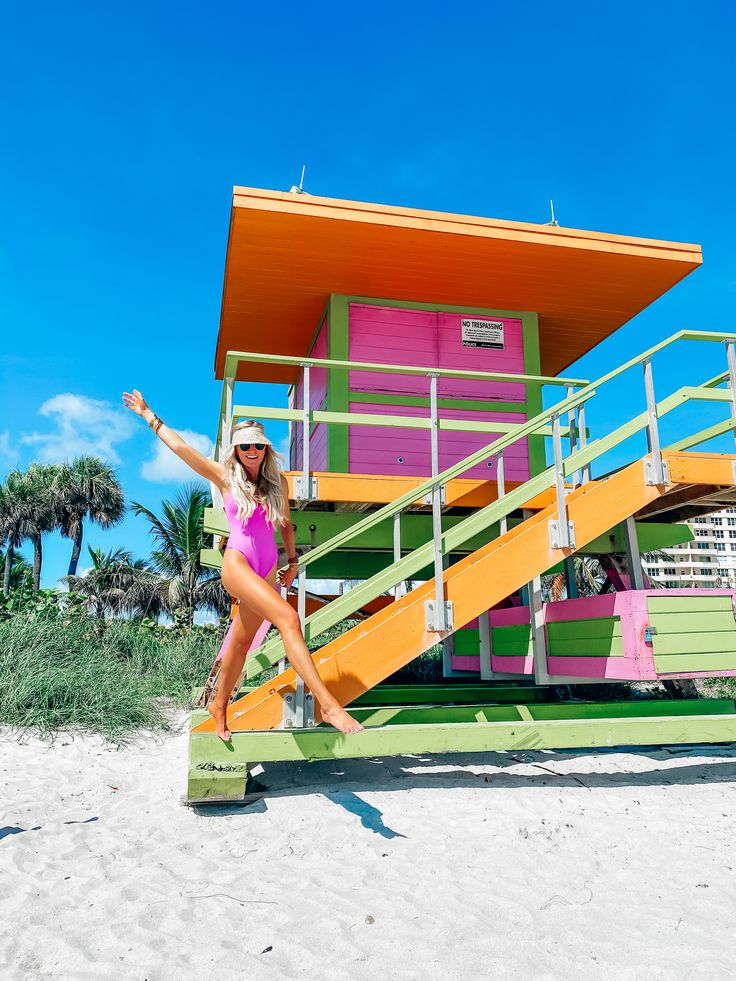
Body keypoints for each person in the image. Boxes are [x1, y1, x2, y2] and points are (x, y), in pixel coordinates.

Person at [121, 390, 364, 739]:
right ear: (236, 450)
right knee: (288, 618)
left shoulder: (278, 482)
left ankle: (219, 704)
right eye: (245, 446)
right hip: (238, 563)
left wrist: (292, 561)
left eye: (258, 446)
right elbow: (182, 450)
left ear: (266, 449)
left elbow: (285, 525)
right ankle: (327, 704)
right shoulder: (225, 477)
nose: (252, 452)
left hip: (267, 569)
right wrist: (148, 415)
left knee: (239, 643)